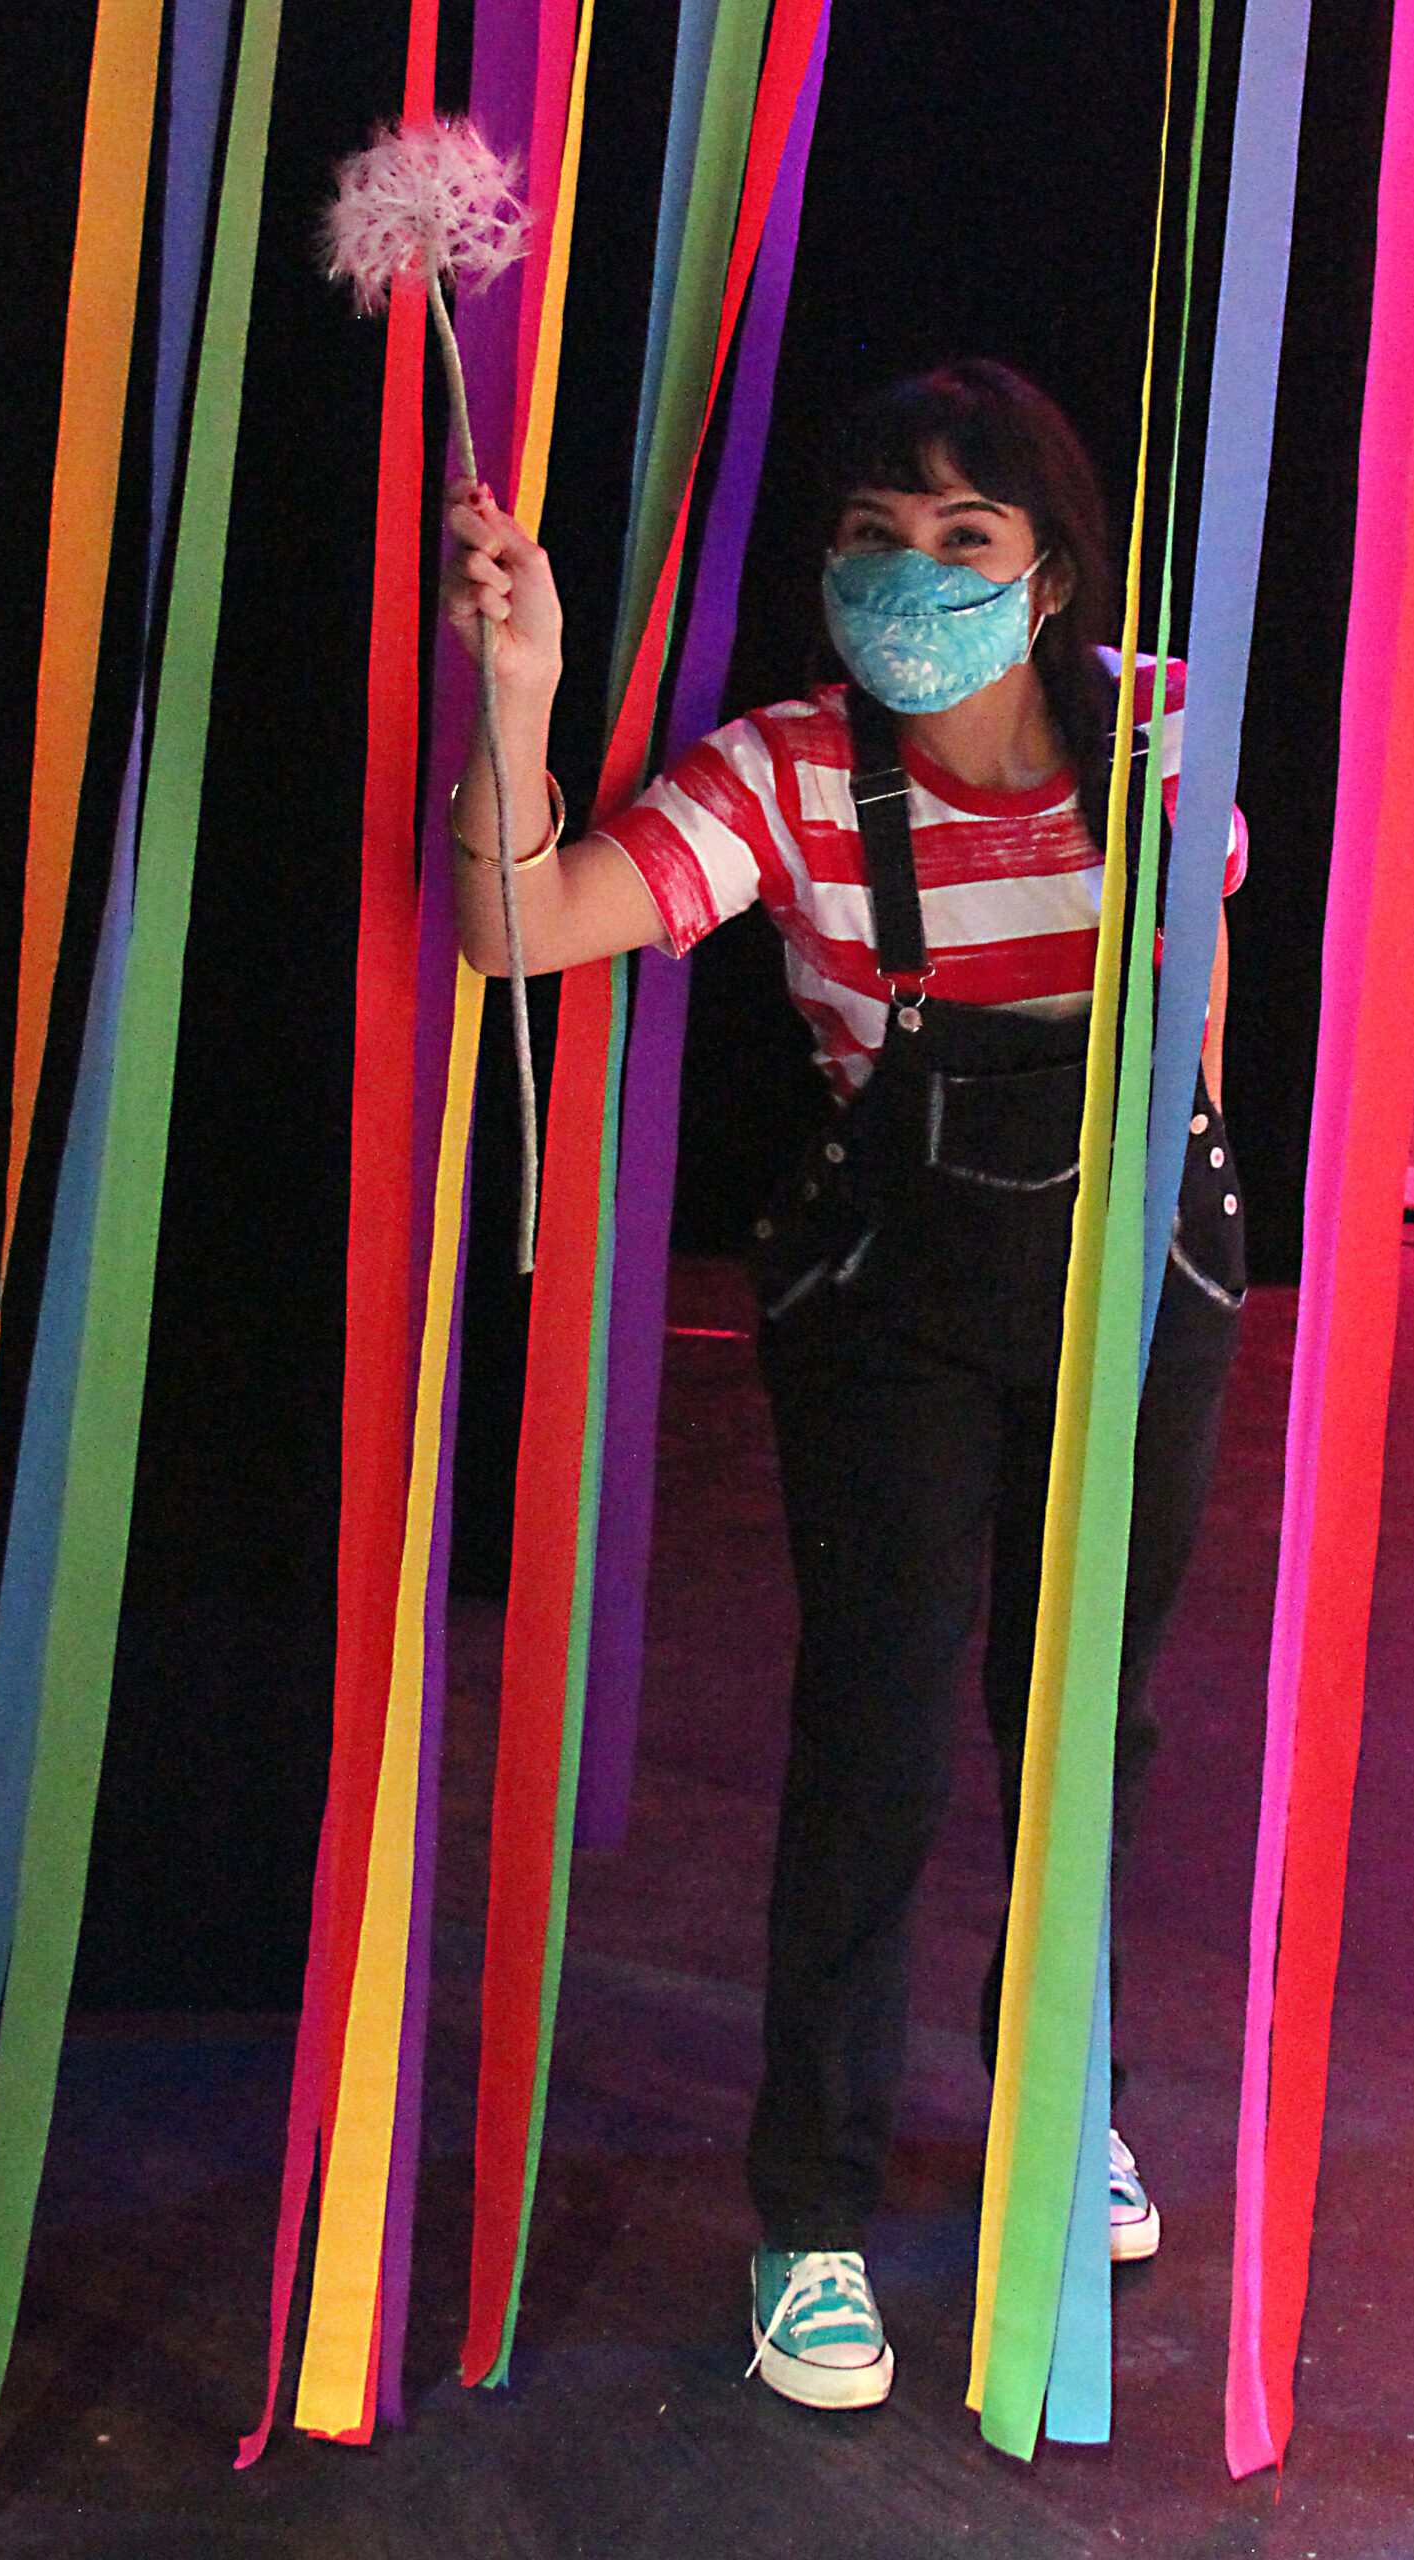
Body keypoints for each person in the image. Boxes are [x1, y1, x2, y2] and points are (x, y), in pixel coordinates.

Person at [444, 359, 1246, 2413]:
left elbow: (1195, 1032)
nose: (913, 573)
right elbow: (521, 926)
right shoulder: (787, 774)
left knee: (1086, 1725)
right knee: (877, 1743)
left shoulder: (1163, 732)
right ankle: (809, 2215)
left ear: (1048, 573)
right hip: (889, 1305)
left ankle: (1059, 2097)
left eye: (964, 537)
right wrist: (519, 696)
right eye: (877, 536)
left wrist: (1177, 1229)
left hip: (1133, 1289)